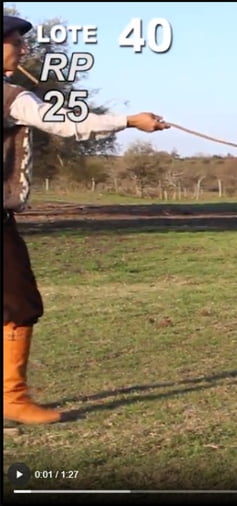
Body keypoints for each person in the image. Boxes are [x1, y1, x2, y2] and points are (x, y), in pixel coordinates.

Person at [3, 14, 170, 425]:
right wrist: (129, 120)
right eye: (14, 42)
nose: (23, 49)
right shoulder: (12, 97)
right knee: (20, 303)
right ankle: (11, 397)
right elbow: (69, 124)